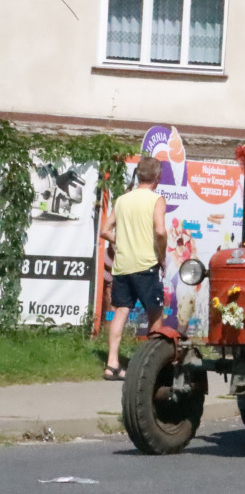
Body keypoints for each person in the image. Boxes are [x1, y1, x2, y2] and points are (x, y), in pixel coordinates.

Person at [98, 156, 168, 381]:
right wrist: (162, 255)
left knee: (121, 311)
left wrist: (120, 241)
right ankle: (152, 369)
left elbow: (105, 230)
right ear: (157, 178)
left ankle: (112, 364)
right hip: (146, 264)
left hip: (123, 264)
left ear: (138, 176)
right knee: (155, 315)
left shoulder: (122, 200)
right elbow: (159, 231)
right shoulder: (156, 199)